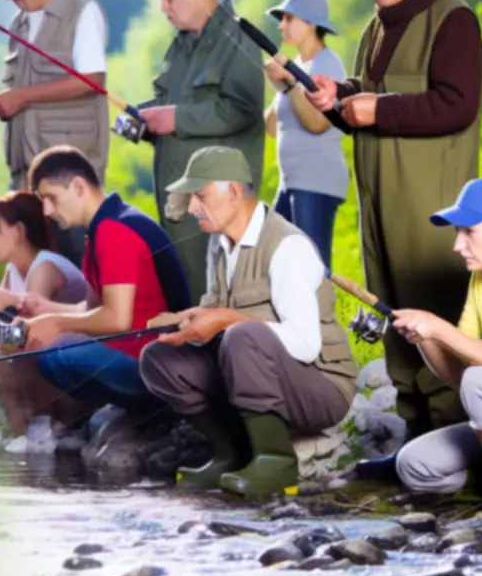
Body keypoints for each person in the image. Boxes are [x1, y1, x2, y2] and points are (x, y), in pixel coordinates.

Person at [307, 0, 482, 477]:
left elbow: (458, 103)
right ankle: (413, 436)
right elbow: (368, 108)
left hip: (430, 205)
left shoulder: (453, 21)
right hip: (378, 202)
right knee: (393, 312)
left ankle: (458, 444)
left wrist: (377, 107)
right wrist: (341, 99)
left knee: (434, 310)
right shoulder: (374, 27)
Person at [139, 147, 359, 496]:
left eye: (200, 195)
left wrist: (226, 321)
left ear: (235, 193)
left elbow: (305, 344)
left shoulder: (288, 248)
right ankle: (232, 453)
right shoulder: (218, 244)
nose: (193, 207)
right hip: (252, 367)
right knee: (157, 359)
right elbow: (215, 310)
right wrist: (187, 324)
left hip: (321, 387)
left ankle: (276, 462)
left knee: (241, 336)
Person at [7, 145, 191, 420]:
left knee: (56, 357)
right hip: (134, 347)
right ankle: (131, 416)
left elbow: (116, 320)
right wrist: (46, 310)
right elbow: (92, 309)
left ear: (79, 187)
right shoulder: (102, 228)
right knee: (49, 345)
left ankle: (155, 413)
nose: (46, 210)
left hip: (158, 357)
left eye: (50, 198)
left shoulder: (114, 231)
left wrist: (56, 324)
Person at [136, 0, 264, 306]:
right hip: (180, 204)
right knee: (187, 295)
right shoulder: (180, 44)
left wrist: (175, 118)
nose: (163, 7)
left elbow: (243, 109)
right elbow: (175, 101)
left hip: (217, 202)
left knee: (217, 295)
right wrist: (143, 120)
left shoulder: (239, 38)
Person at [0, 0, 110, 268]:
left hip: (68, 179)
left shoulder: (83, 11)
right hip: (23, 176)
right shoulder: (18, 24)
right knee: (37, 268)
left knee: (79, 265)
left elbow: (92, 80)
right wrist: (6, 102)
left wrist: (23, 96)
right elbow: (22, 89)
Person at [392, 179, 482, 508]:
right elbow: (458, 377)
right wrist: (426, 338)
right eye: (456, 232)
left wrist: (440, 327)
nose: (457, 245)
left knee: (481, 378)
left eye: (469, 231)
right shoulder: (481, 279)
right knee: (415, 465)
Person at [0, 190, 91, 440]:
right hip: (53, 365)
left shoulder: (45, 266)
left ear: (18, 231)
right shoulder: (13, 269)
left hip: (80, 369)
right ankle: (21, 434)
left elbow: (29, 330)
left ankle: (49, 427)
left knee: (13, 348)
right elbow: (1, 326)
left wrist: (6, 301)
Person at [262, 0, 349, 268]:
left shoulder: (327, 64)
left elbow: (317, 124)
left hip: (316, 180)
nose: (281, 25)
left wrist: (289, 85)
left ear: (311, 24)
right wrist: (279, 85)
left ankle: (322, 313)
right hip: (292, 182)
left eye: (288, 18)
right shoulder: (297, 65)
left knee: (311, 264)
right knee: (279, 255)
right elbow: (273, 128)